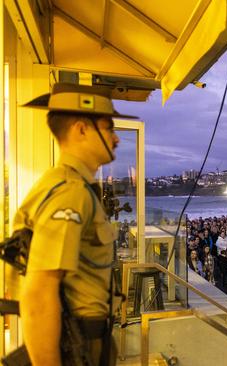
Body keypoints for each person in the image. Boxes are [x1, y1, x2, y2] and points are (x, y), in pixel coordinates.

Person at [15, 83, 138, 366]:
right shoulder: (70, 192)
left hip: (85, 341)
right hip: (78, 346)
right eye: (109, 128)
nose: (116, 138)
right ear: (82, 129)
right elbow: (39, 295)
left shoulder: (71, 185)